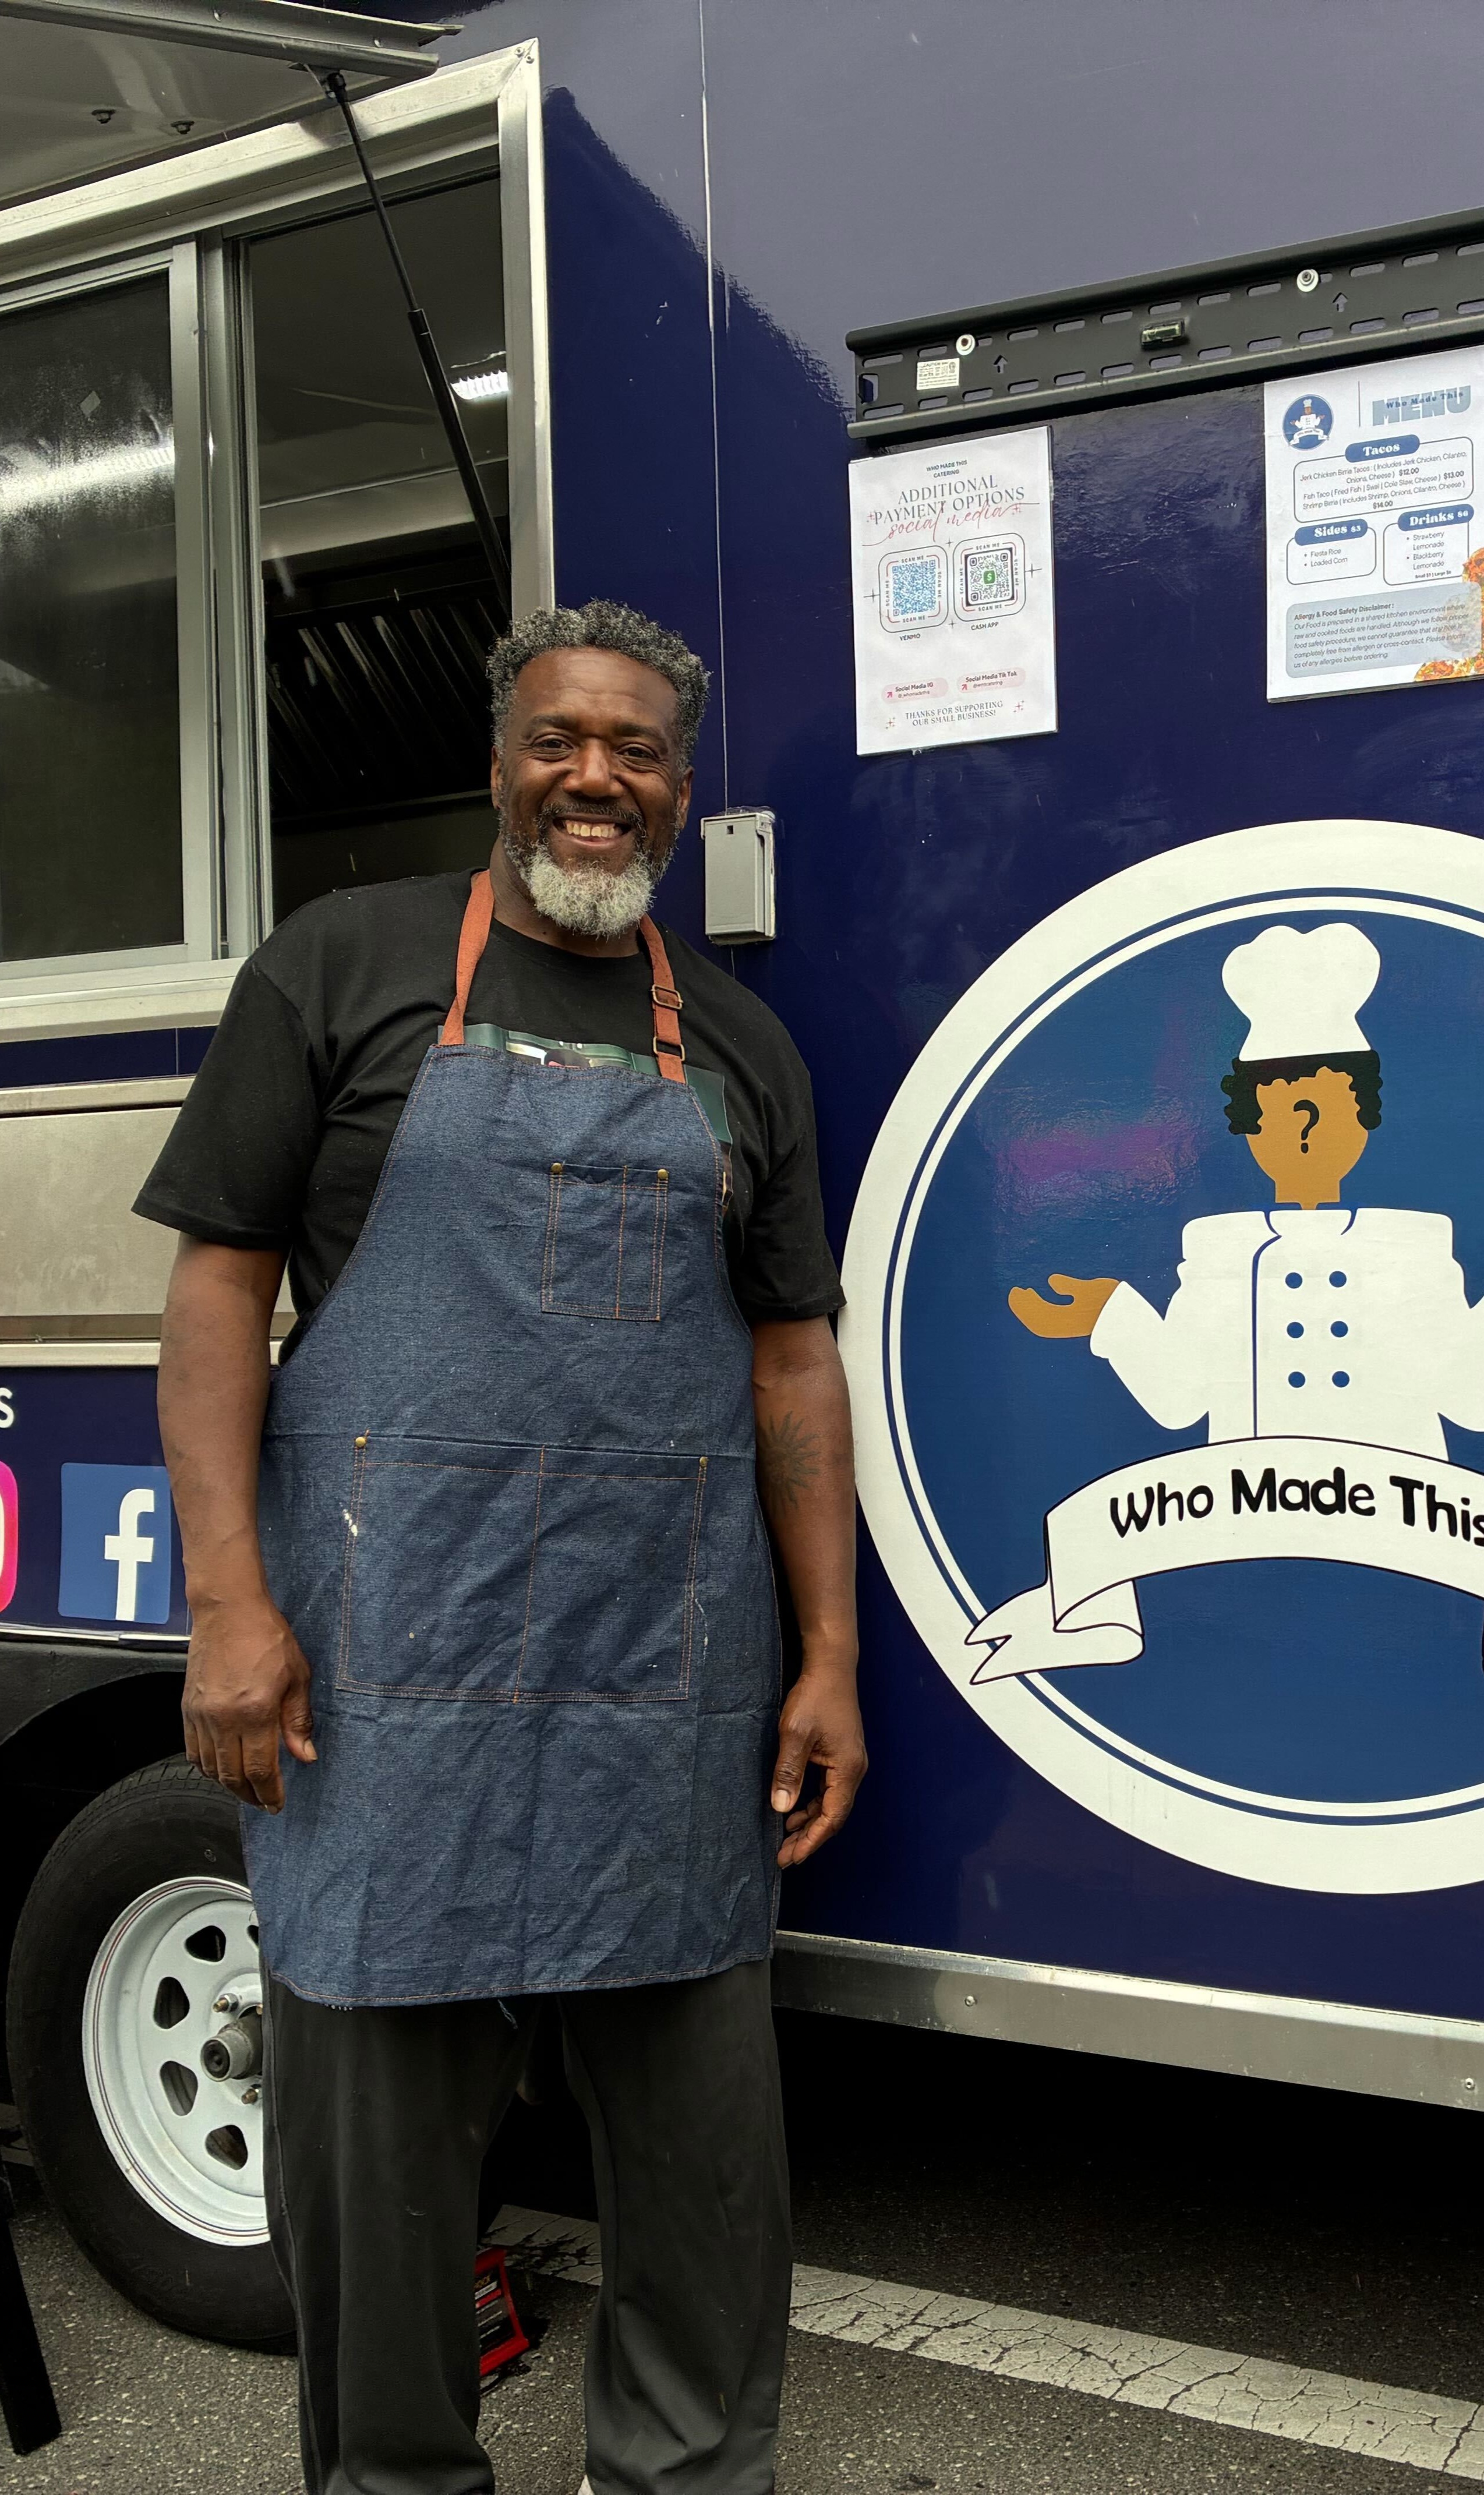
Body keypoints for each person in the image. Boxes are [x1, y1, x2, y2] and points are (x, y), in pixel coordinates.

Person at [141, 599, 862, 2495]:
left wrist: (827, 1656)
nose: (597, 778)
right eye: (562, 739)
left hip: (665, 1682)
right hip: (381, 1682)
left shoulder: (740, 1046)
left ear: (681, 791)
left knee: (707, 2185)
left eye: (636, 751)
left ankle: (686, 2475)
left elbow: (794, 1366)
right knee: (373, 2191)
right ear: (500, 760)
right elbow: (215, 1295)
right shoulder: (346, 968)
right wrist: (227, 1603)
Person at [1009, 919, 1484, 1454]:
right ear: (1247, 1126)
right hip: (1242, 1526)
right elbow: (1181, 1396)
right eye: (1278, 1111)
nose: (1303, 1125)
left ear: (1364, 1117)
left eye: (1325, 1106)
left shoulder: (1413, 1248)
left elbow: (1471, 1397)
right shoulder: (1219, 1254)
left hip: (1413, 1529)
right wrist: (1112, 1315)